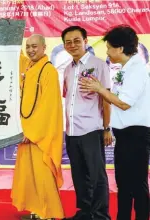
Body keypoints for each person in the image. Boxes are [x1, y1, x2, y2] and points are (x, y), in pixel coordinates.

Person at [79, 25, 150, 220]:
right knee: (124, 183)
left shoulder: (137, 70)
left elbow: (125, 103)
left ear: (120, 49)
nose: (107, 52)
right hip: (125, 134)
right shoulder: (126, 69)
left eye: (109, 47)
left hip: (135, 133)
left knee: (137, 183)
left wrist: (99, 88)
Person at [11, 34, 65, 220]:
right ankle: (36, 209)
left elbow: (48, 107)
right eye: (28, 46)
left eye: (35, 46)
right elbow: (15, 57)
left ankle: (49, 212)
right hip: (26, 131)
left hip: (39, 135)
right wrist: (6, 32)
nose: (31, 50)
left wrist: (30, 131)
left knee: (42, 174)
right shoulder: (28, 66)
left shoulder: (48, 71)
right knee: (29, 174)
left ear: (44, 48)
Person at [61, 26, 111, 220]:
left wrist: (107, 128)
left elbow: (106, 99)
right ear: (64, 45)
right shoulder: (66, 69)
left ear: (85, 41)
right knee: (79, 175)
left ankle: (100, 215)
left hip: (92, 129)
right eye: (68, 42)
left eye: (76, 41)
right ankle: (85, 212)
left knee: (97, 176)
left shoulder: (98, 65)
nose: (72, 45)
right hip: (72, 132)